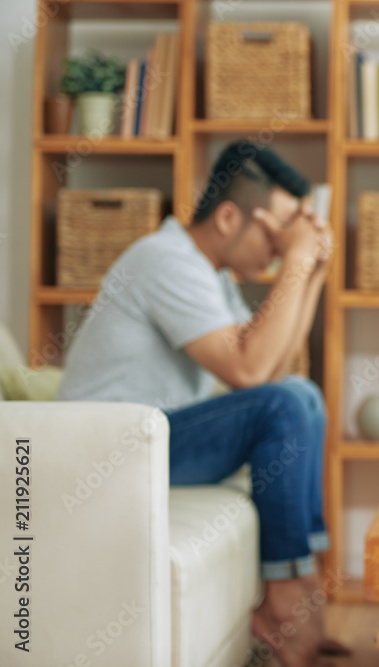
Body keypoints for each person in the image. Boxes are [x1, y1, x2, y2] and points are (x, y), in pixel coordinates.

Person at [58, 140, 344, 666]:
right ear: (230, 216)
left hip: (151, 434)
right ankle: (280, 598)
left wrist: (314, 273)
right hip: (110, 449)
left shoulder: (208, 273)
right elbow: (251, 372)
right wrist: (299, 260)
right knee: (284, 405)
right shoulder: (166, 260)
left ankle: (301, 579)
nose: (280, 248)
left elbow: (272, 371)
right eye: (276, 232)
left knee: (298, 396)